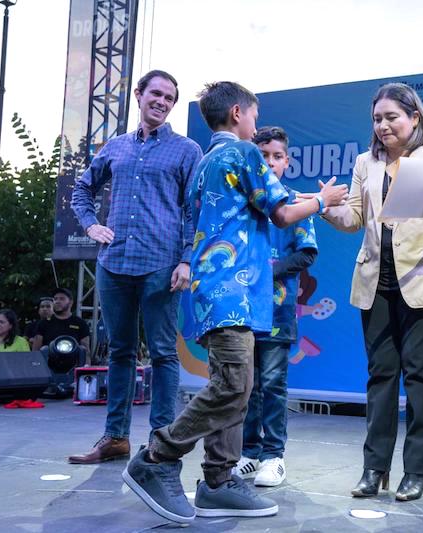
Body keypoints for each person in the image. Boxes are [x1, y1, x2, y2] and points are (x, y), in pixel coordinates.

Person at [121, 81, 348, 524]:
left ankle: (220, 480)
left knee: (238, 386)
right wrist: (323, 200)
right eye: (255, 117)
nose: (257, 127)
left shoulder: (207, 162)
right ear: (239, 113)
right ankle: (156, 458)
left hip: (219, 292)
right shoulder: (242, 153)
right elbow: (282, 213)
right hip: (231, 293)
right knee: (232, 386)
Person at [319, 82, 423, 502]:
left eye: (391, 117)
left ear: (414, 118)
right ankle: (374, 468)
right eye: (377, 119)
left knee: (421, 377)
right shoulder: (364, 162)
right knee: (380, 376)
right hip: (375, 282)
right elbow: (353, 218)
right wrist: (325, 206)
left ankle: (416, 471)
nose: (383, 125)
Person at [69, 70, 203, 465]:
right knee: (121, 352)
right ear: (139, 95)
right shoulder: (116, 147)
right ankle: (115, 438)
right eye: (156, 94)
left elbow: (193, 210)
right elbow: (82, 188)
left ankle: (162, 441)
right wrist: (91, 224)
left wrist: (185, 259)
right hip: (114, 263)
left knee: (163, 353)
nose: (162, 102)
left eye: (170, 98)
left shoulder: (186, 150)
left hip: (161, 265)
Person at [233, 127, 318, 487]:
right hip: (239, 311)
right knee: (246, 385)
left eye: (277, 156)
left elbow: (307, 252)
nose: (270, 162)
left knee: (272, 384)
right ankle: (249, 453)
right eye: (263, 155)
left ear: (287, 161)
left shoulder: (296, 201)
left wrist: (267, 274)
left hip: (278, 312)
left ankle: (273, 456)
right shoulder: (241, 200)